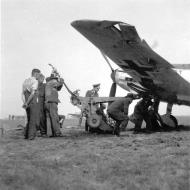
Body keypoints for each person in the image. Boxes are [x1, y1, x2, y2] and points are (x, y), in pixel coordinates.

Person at [22, 68, 41, 140]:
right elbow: (33, 93)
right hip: (32, 102)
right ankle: (31, 137)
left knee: (29, 119)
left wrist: (25, 103)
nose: (39, 77)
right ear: (35, 74)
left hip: (26, 102)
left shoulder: (25, 81)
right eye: (39, 75)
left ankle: (26, 135)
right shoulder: (35, 81)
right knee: (33, 119)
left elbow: (22, 94)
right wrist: (27, 102)